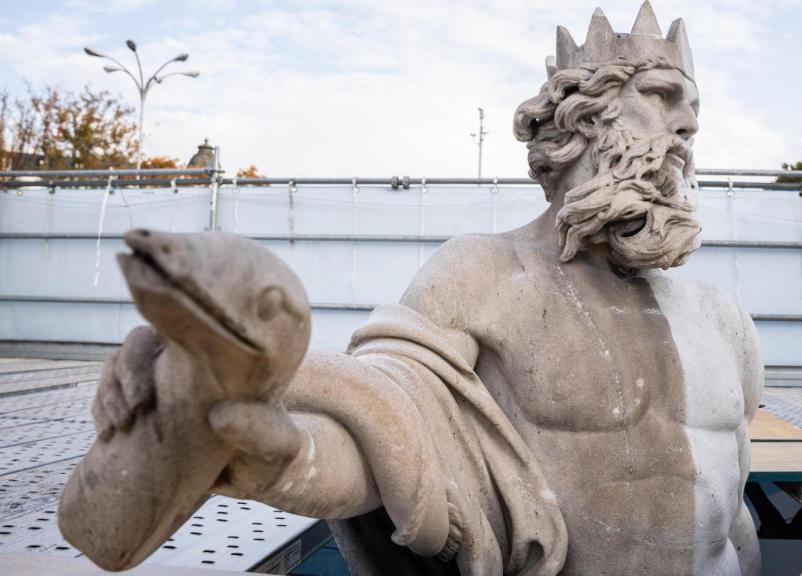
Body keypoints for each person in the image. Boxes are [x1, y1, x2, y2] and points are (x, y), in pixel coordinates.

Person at [92, 3, 762, 575]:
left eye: (694, 109)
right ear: (584, 118)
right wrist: (286, 450)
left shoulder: (722, 319)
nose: (688, 129)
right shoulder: (486, 274)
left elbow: (734, 511)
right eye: (661, 97)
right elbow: (391, 428)